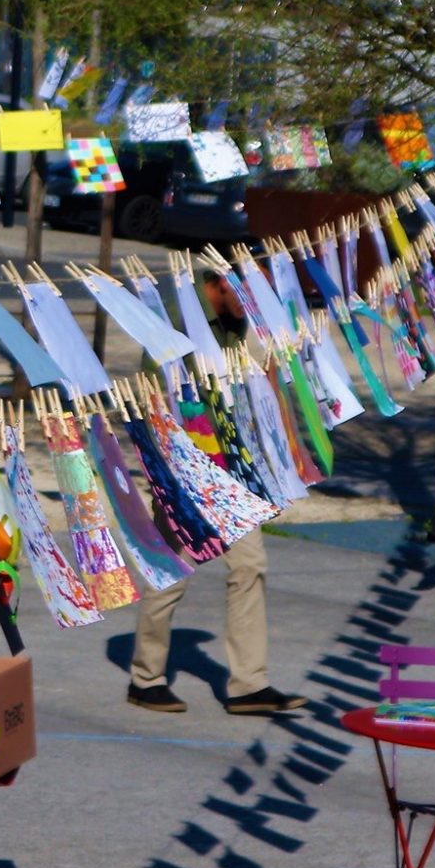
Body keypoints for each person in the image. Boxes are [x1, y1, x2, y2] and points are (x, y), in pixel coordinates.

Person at [126, 268, 306, 716]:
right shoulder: (177, 323)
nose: (253, 307)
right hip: (185, 469)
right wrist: (169, 479)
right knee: (173, 569)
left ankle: (249, 684)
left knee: (250, 566)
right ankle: (145, 677)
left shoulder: (237, 326)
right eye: (247, 294)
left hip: (231, 472)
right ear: (222, 284)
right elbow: (153, 403)